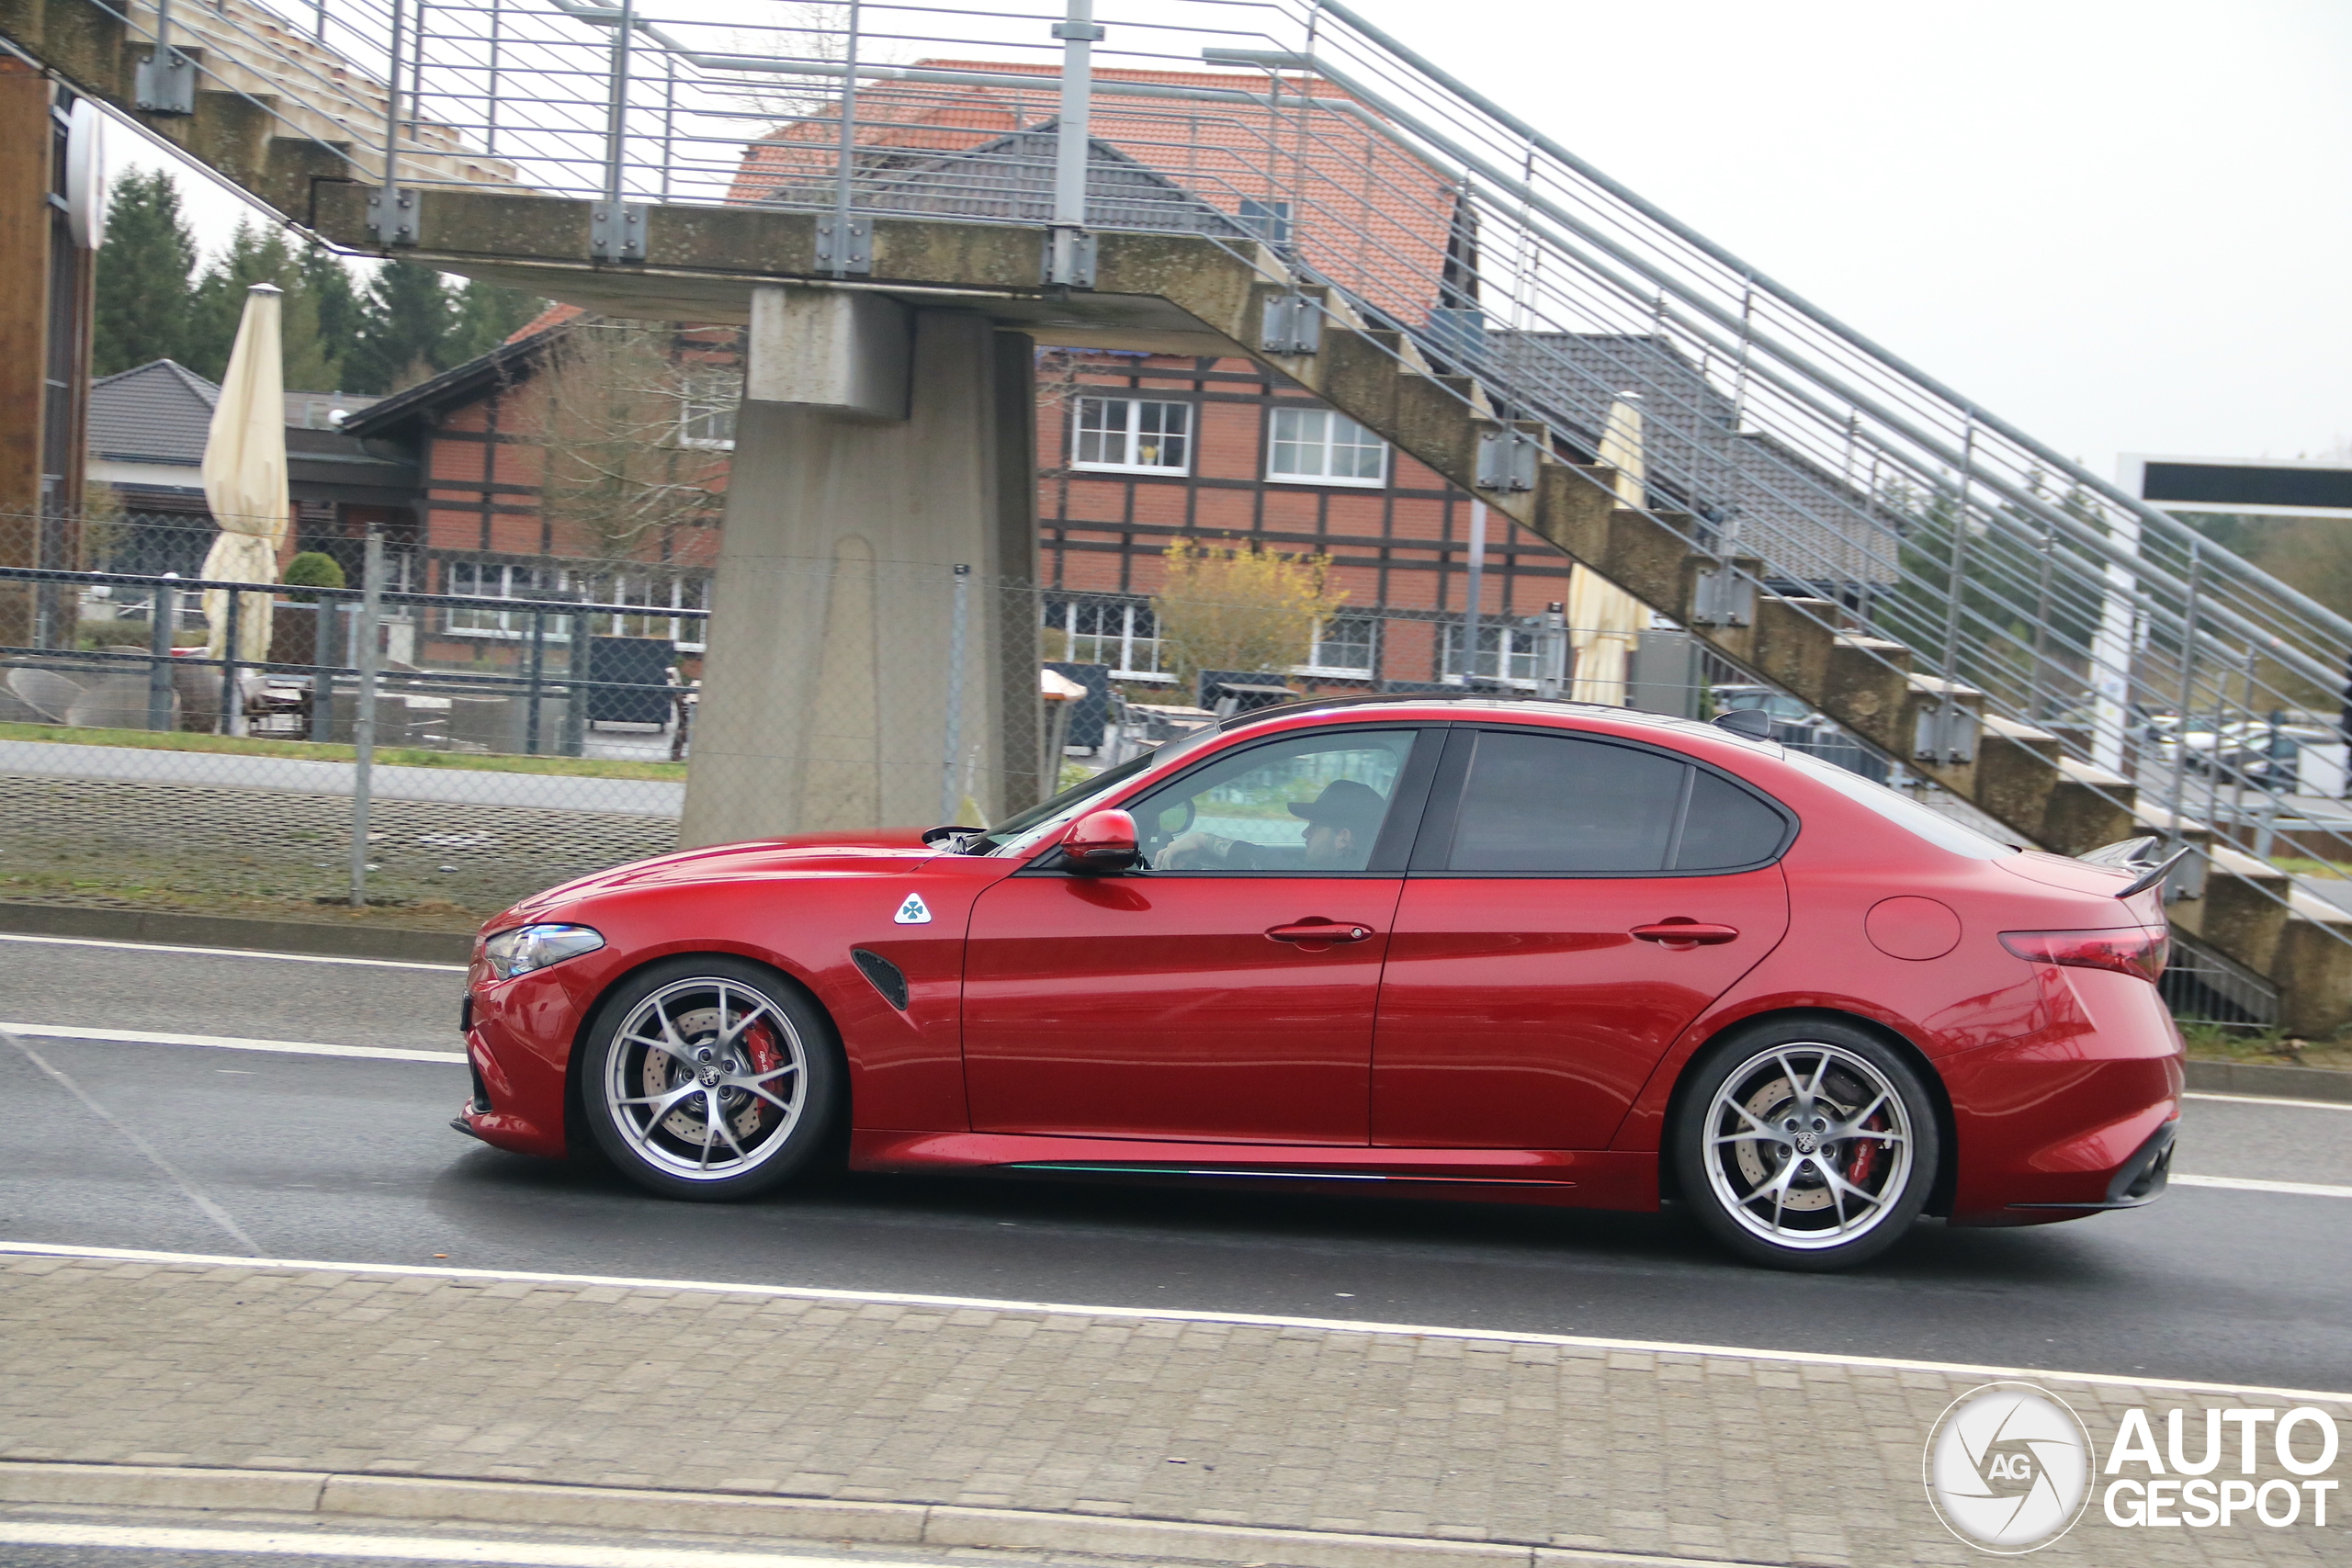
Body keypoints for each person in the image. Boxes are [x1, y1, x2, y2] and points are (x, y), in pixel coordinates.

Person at [1158, 777, 1387, 871]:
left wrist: (1202, 840)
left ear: (1343, 838)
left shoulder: (1339, 884)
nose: (1305, 832)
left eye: (1315, 825)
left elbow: (1278, 867)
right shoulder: (1358, 873)